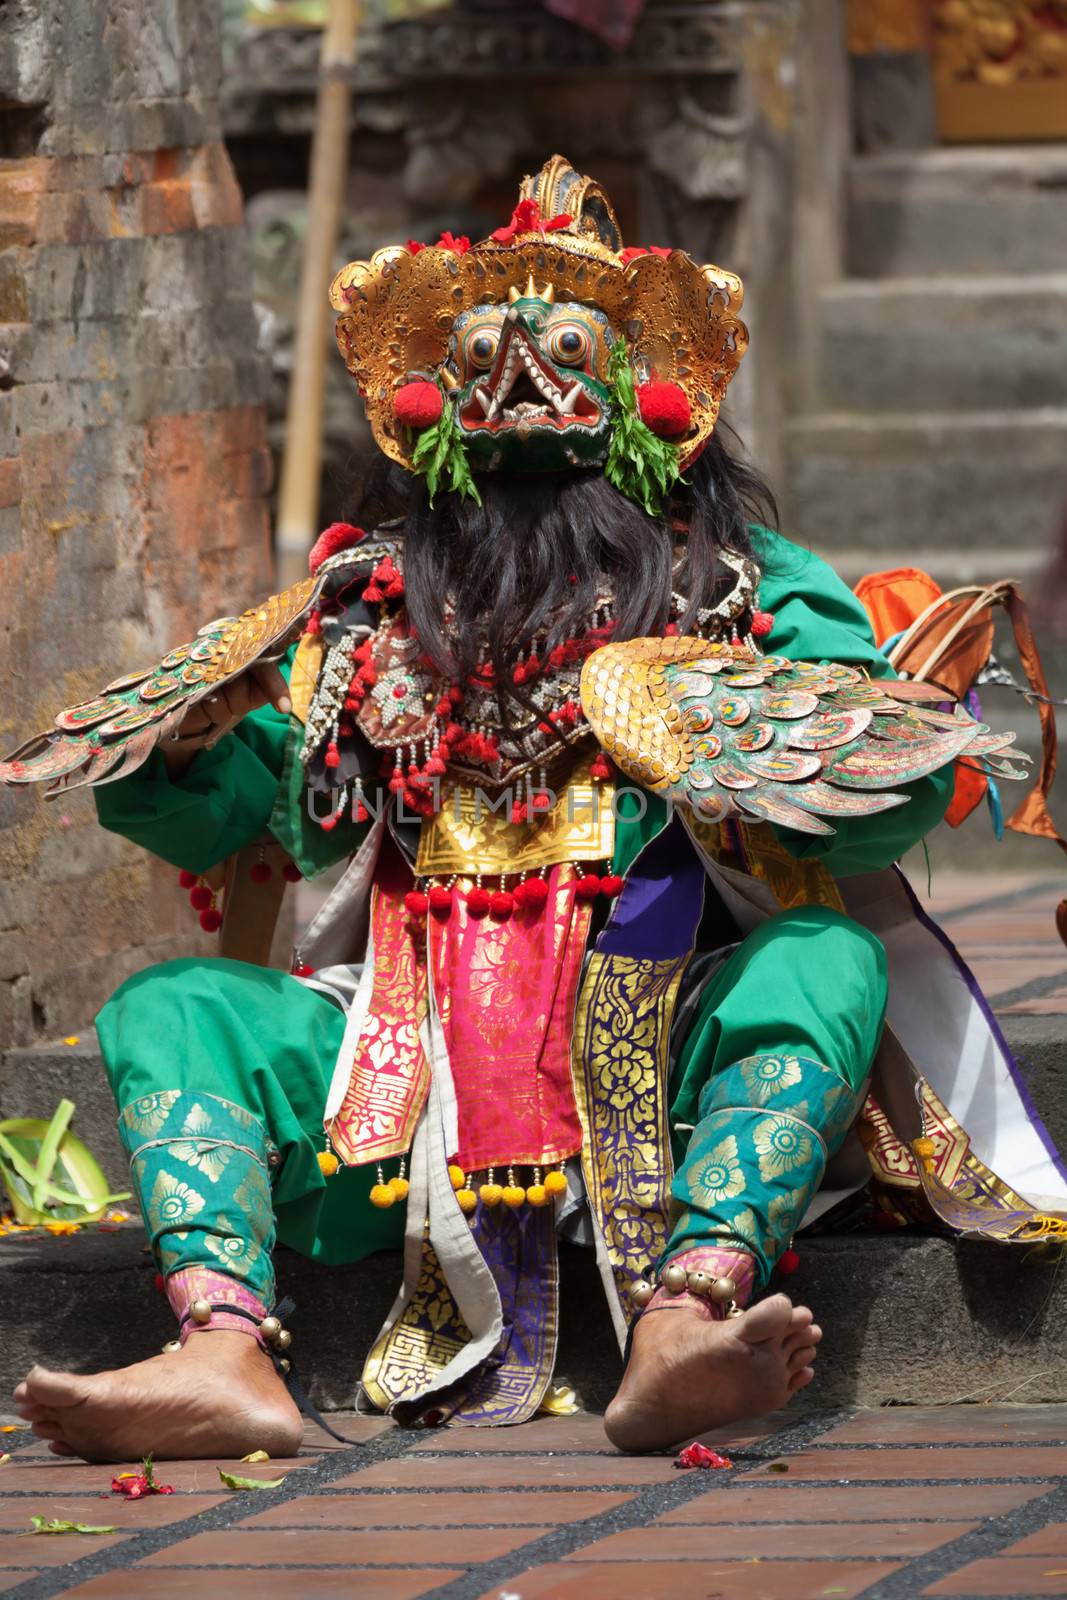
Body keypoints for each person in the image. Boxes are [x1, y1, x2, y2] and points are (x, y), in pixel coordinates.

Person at [5, 158, 1064, 1463]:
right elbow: (247, 819)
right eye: (485, 355)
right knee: (169, 1009)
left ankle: (685, 1320)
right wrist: (182, 743)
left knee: (826, 960)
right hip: (395, 1083)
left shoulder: (744, 585)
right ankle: (224, 1349)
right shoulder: (358, 605)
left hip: (671, 1058)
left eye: (566, 349)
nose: (520, 376)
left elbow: (862, 820)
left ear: (647, 399)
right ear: (430, 411)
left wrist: (779, 739)